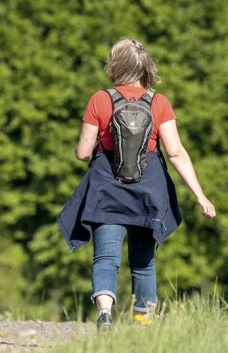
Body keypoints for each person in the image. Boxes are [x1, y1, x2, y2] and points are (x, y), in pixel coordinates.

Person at [56, 38, 216, 331]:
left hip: (107, 187)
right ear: (146, 67)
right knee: (143, 262)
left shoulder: (100, 99)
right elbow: (176, 152)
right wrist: (200, 195)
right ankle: (143, 322)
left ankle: (105, 313)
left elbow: (81, 153)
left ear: (115, 66)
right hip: (148, 189)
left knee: (105, 258)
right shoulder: (159, 102)